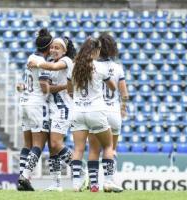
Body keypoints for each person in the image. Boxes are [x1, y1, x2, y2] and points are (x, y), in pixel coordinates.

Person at [67, 37, 118, 192]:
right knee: (107, 146)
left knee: (78, 149)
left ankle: (76, 184)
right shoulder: (99, 67)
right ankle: (108, 182)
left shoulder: (73, 67)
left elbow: (69, 90)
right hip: (96, 111)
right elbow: (113, 87)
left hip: (77, 111)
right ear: (96, 51)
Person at [28, 37, 76, 191]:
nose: (54, 50)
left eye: (58, 47)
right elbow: (46, 88)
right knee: (52, 147)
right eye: (53, 47)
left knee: (56, 143)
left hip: (63, 109)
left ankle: (80, 170)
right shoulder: (49, 62)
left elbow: (54, 69)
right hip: (50, 109)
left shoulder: (67, 61)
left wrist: (39, 63)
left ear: (65, 50)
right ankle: (56, 183)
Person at [87, 33, 129, 193]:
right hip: (113, 112)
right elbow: (124, 94)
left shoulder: (92, 66)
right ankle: (109, 181)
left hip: (96, 111)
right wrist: (123, 109)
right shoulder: (117, 67)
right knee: (110, 148)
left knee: (93, 150)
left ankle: (93, 184)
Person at [17, 28, 53, 191]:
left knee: (27, 143)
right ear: (48, 47)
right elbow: (45, 88)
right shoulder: (42, 63)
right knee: (39, 143)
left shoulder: (30, 57)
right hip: (37, 105)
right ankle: (25, 176)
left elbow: (26, 81)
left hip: (24, 102)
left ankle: (21, 178)